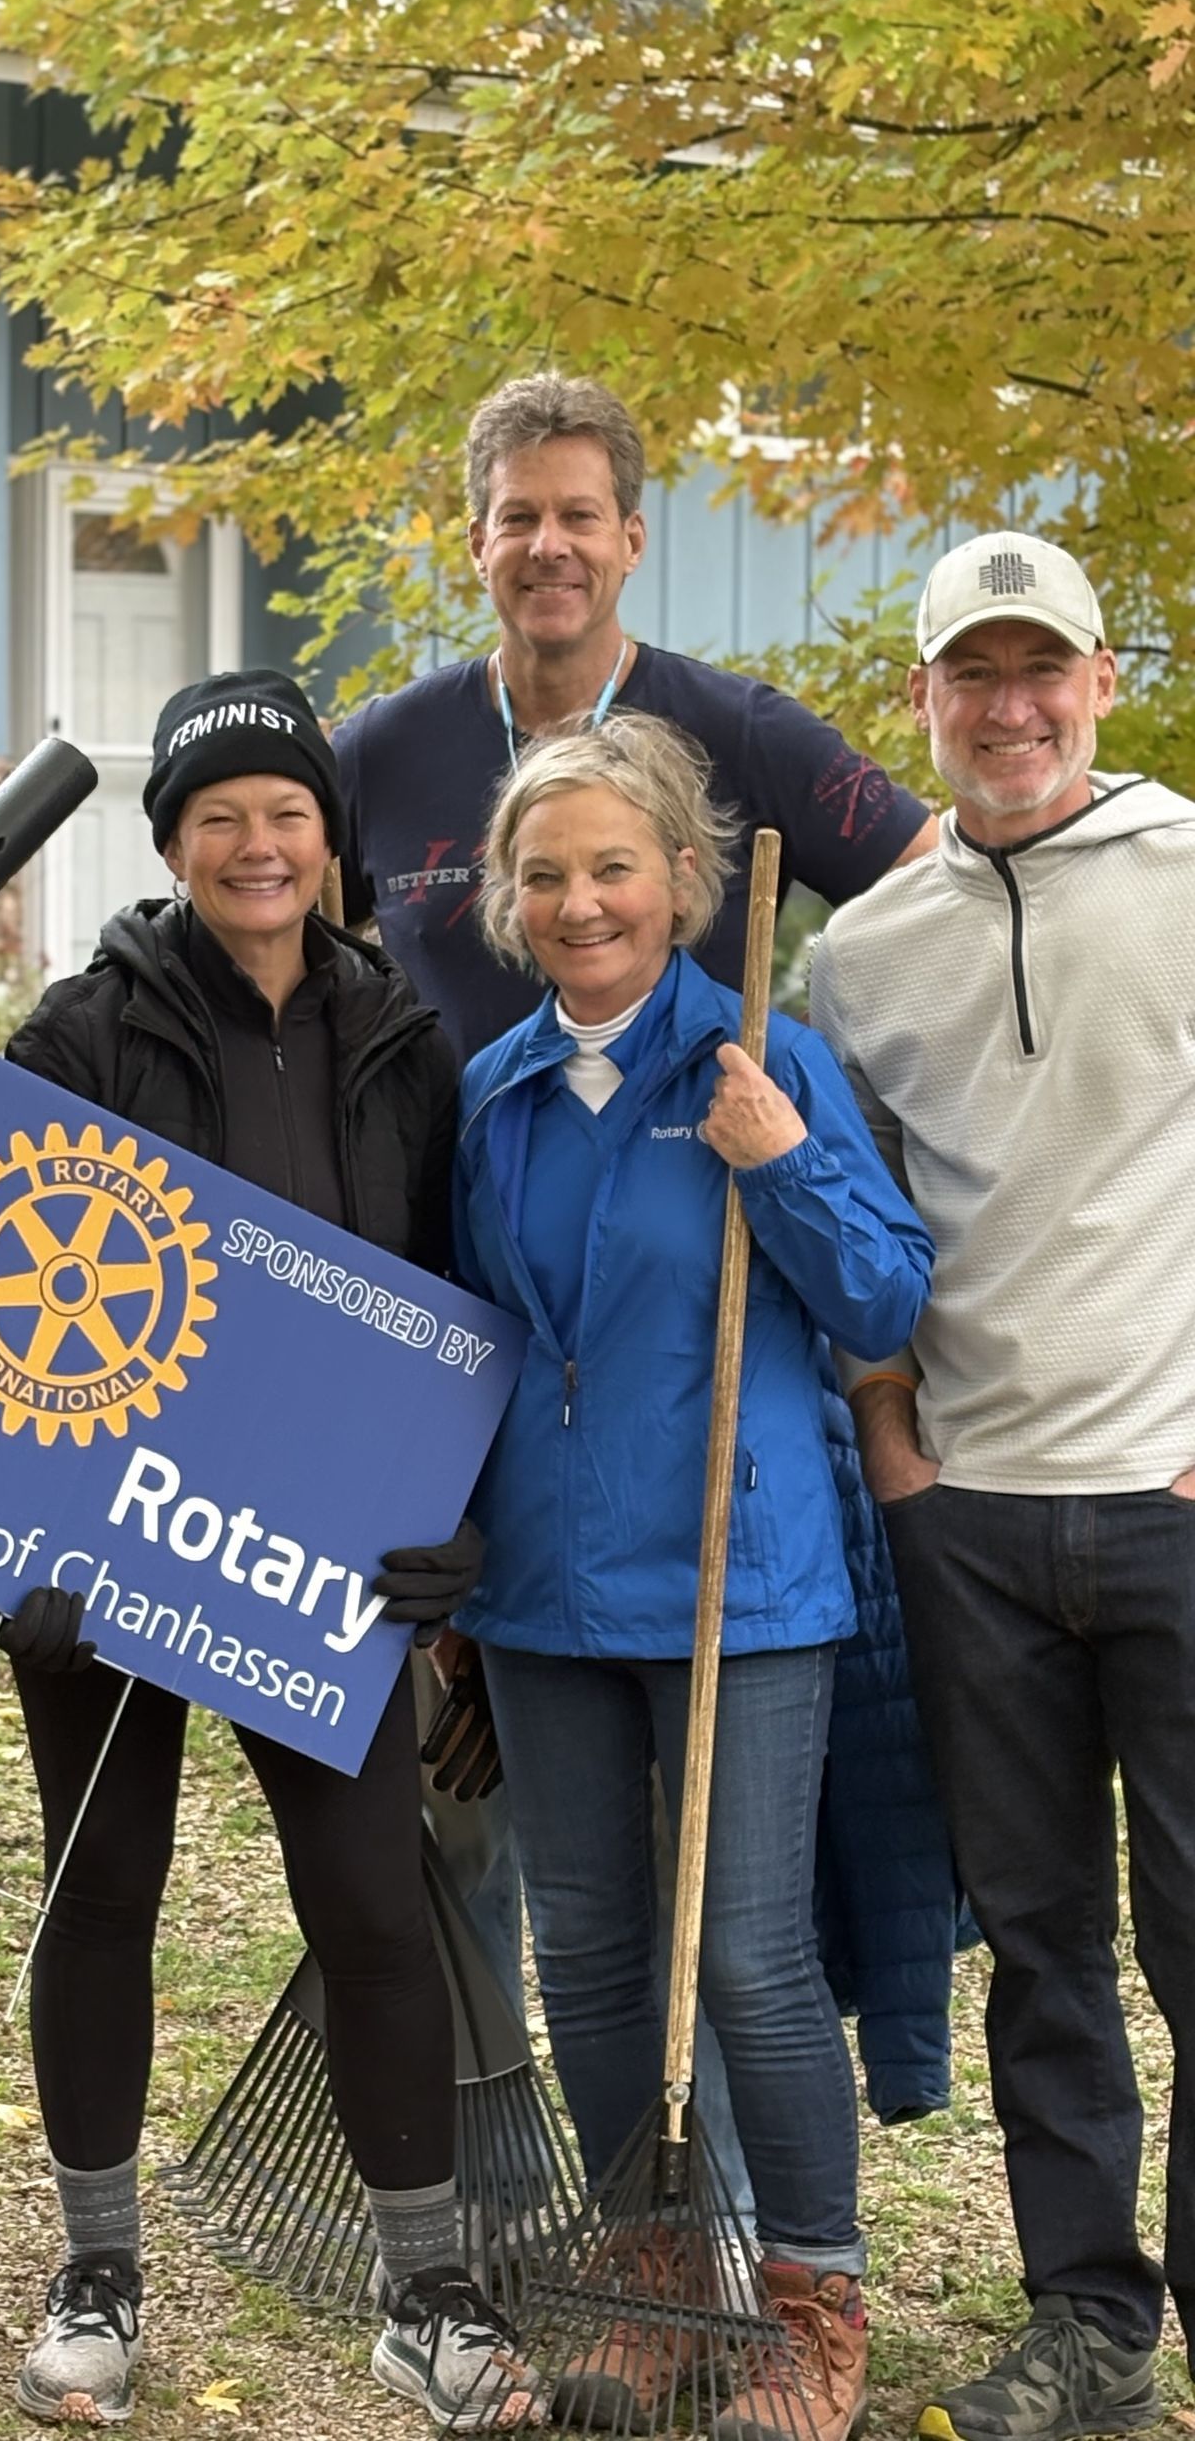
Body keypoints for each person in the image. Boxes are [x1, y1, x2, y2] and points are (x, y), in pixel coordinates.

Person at [0, 668, 538, 2432]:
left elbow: (461, 1295)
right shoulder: (78, 1032)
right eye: (221, 818)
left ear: (328, 844)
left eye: (286, 814)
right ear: (175, 846)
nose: (257, 843)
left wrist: (460, 1527)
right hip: (114, 1548)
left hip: (324, 1553)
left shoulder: (406, 1043)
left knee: (370, 1901)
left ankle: (426, 2286)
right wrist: (13, 1555)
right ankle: (96, 2268)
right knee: (99, 1888)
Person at [453, 713, 933, 2441]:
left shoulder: (760, 1058)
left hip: (742, 1580)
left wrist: (778, 1162)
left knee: (741, 1959)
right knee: (585, 1954)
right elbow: (484, 1342)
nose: (582, 902)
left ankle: (811, 2299)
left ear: (682, 882)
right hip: (545, 1592)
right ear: (511, 902)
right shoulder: (495, 1094)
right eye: (548, 874)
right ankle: (658, 2282)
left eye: (613, 868)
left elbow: (882, 1301)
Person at [807, 531, 1195, 2441]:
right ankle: (1089, 2325)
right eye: (978, 674)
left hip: (1176, 1503)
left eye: (1045, 669)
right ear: (930, 703)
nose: (1013, 707)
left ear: (1103, 680)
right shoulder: (864, 954)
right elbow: (846, 1216)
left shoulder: (1193, 876)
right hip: (972, 1524)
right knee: (1043, 1948)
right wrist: (888, 1428)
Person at [332, 369, 937, 1067]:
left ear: (632, 541)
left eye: (579, 517)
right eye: (519, 518)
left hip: (696, 1168)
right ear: (478, 546)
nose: (548, 546)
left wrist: (818, 1070)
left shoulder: (743, 732)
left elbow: (936, 888)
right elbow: (270, 934)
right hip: (447, 1171)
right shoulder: (382, 751)